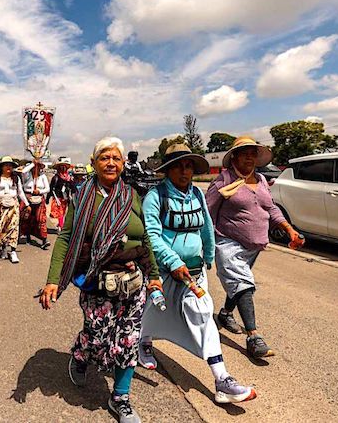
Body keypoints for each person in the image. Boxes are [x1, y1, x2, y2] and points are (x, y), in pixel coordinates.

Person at [40, 137, 162, 423]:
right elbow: (66, 238)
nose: (111, 162)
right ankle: (82, 355)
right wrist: (53, 279)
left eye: (116, 158)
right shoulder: (82, 197)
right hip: (97, 281)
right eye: (104, 157)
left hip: (133, 281)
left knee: (128, 339)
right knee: (98, 335)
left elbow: (145, 238)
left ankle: (120, 397)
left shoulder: (131, 195)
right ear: (93, 163)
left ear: (123, 164)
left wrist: (154, 276)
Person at [138, 144, 256, 405]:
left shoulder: (197, 195)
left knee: (204, 316)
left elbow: (206, 227)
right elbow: (151, 236)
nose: (184, 170)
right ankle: (143, 342)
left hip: (194, 272)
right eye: (178, 165)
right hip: (164, 271)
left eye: (188, 165)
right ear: (167, 170)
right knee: (153, 309)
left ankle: (222, 378)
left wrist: (210, 255)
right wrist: (171, 260)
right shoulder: (155, 197)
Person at [207, 136, 304, 358]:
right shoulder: (223, 181)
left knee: (239, 283)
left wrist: (290, 230)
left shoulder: (260, 179)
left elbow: (271, 209)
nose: (250, 157)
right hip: (228, 242)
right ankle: (253, 337)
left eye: (253, 153)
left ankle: (225, 313)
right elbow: (208, 213)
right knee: (243, 284)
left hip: (254, 245)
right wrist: (206, 245)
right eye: (245, 153)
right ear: (234, 157)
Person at [0, 157, 29, 263]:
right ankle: (4, 249)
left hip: (13, 206)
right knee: (2, 228)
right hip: (1, 206)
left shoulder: (16, 178)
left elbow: (20, 192)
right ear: (2, 167)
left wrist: (27, 204)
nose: (8, 167)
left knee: (14, 228)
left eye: (10, 165)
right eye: (6, 165)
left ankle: (13, 252)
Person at [21, 160, 51, 248]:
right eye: (34, 167)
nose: (36, 169)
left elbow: (47, 189)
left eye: (38, 167)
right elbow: (23, 171)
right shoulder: (27, 176)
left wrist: (39, 191)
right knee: (27, 218)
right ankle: (27, 236)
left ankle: (44, 239)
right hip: (28, 199)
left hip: (39, 199)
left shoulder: (43, 177)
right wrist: (33, 164)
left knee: (41, 219)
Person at [47, 157, 74, 233]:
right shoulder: (56, 177)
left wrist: (72, 196)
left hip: (65, 198)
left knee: (64, 213)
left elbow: (72, 188)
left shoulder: (69, 178)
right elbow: (51, 188)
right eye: (61, 167)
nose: (63, 168)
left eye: (64, 167)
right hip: (57, 198)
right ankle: (61, 227)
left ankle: (60, 225)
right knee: (60, 213)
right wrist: (48, 198)